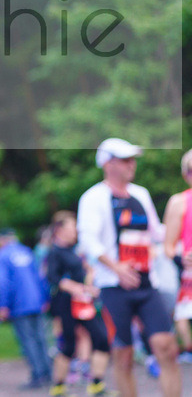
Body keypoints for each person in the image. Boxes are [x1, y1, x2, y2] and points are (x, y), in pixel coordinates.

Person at [76, 137, 182, 397]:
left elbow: (157, 232)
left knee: (166, 347)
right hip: (114, 287)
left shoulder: (140, 194)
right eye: (125, 159)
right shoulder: (93, 198)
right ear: (107, 164)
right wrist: (117, 268)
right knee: (123, 355)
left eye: (132, 159)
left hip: (146, 284)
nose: (131, 164)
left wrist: (182, 236)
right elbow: (88, 240)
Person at [45, 211, 112, 397]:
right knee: (68, 344)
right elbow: (53, 278)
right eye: (72, 227)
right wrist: (77, 288)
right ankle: (58, 387)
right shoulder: (55, 252)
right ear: (59, 230)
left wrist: (88, 285)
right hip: (67, 303)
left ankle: (97, 384)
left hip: (83, 302)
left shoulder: (73, 251)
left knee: (101, 339)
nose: (76, 231)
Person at [0, 227, 52, 390]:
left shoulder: (1, 255)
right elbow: (39, 277)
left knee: (28, 340)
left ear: (1, 240)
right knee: (41, 338)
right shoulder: (26, 251)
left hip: (19, 304)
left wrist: (3, 305)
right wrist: (44, 297)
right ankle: (48, 373)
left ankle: (38, 375)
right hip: (36, 301)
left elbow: (3, 283)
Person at [163, 148, 192, 362]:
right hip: (188, 275)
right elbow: (168, 246)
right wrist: (181, 259)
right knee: (182, 316)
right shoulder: (179, 202)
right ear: (186, 174)